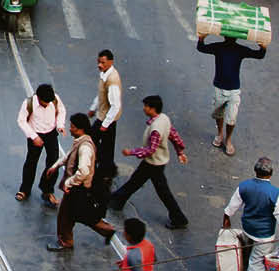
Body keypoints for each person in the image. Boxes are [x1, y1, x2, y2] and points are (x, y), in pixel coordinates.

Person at [108, 95, 188, 229]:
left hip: (154, 163)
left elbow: (151, 150)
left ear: (152, 109)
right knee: (136, 181)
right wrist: (180, 151)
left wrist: (132, 152)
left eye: (146, 106)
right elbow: (173, 135)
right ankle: (117, 200)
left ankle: (178, 217)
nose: (144, 109)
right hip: (156, 161)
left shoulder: (155, 128)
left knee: (161, 190)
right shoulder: (164, 119)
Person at [45, 113, 118, 251]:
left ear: (80, 129)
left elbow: (83, 171)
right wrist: (56, 166)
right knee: (84, 215)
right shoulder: (81, 141)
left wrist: (69, 182)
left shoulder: (85, 148)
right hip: (78, 188)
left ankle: (66, 241)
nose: (70, 129)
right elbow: (69, 156)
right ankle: (107, 230)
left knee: (65, 216)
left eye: (72, 127)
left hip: (77, 188)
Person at [197, 35, 266, 156]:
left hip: (234, 90)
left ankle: (228, 140)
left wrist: (262, 48)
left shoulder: (237, 49)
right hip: (219, 87)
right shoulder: (221, 47)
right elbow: (201, 48)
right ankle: (220, 134)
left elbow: (259, 55)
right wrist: (201, 39)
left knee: (231, 118)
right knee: (219, 114)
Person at [223, 157, 279, 271]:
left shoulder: (244, 186)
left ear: (255, 171)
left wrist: (226, 219)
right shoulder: (276, 194)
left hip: (247, 228)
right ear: (271, 173)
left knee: (247, 250)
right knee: (256, 263)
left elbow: (232, 206)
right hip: (264, 236)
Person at [16, 83, 66, 204]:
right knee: (31, 162)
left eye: (49, 102)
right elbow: (21, 121)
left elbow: (61, 111)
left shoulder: (54, 99)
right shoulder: (28, 103)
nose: (47, 104)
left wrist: (60, 125)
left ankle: (47, 191)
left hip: (51, 134)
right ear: (38, 97)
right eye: (44, 102)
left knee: (53, 163)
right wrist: (33, 137)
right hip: (35, 134)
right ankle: (25, 189)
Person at [89, 49, 122, 176]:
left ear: (110, 62)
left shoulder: (112, 80)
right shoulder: (105, 74)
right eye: (98, 62)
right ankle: (107, 167)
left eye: (103, 62)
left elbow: (115, 105)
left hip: (107, 118)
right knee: (107, 145)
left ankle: (102, 169)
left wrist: (105, 124)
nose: (99, 65)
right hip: (104, 115)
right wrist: (93, 108)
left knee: (91, 140)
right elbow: (102, 95)